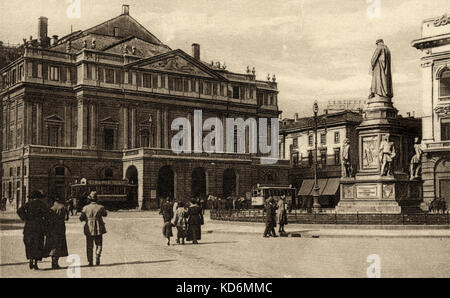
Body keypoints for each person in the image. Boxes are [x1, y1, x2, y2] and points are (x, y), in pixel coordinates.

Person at [17, 191, 50, 270]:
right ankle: (35, 262)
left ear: (32, 197)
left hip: (28, 227)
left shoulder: (28, 204)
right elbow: (47, 216)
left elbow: (19, 210)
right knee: (38, 245)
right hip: (39, 228)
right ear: (39, 197)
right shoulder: (42, 205)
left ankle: (31, 260)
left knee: (29, 244)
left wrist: (25, 218)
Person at [79, 191, 107, 266]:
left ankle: (90, 261)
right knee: (99, 243)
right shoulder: (101, 207)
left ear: (90, 199)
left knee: (89, 245)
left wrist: (87, 219)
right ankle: (98, 255)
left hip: (89, 228)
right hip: (99, 227)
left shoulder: (85, 208)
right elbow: (105, 214)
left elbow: (81, 218)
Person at [44, 198, 69, 269]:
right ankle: (55, 262)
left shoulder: (51, 208)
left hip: (51, 227)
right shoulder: (63, 207)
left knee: (52, 243)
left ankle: (53, 260)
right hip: (60, 227)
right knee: (59, 243)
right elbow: (66, 218)